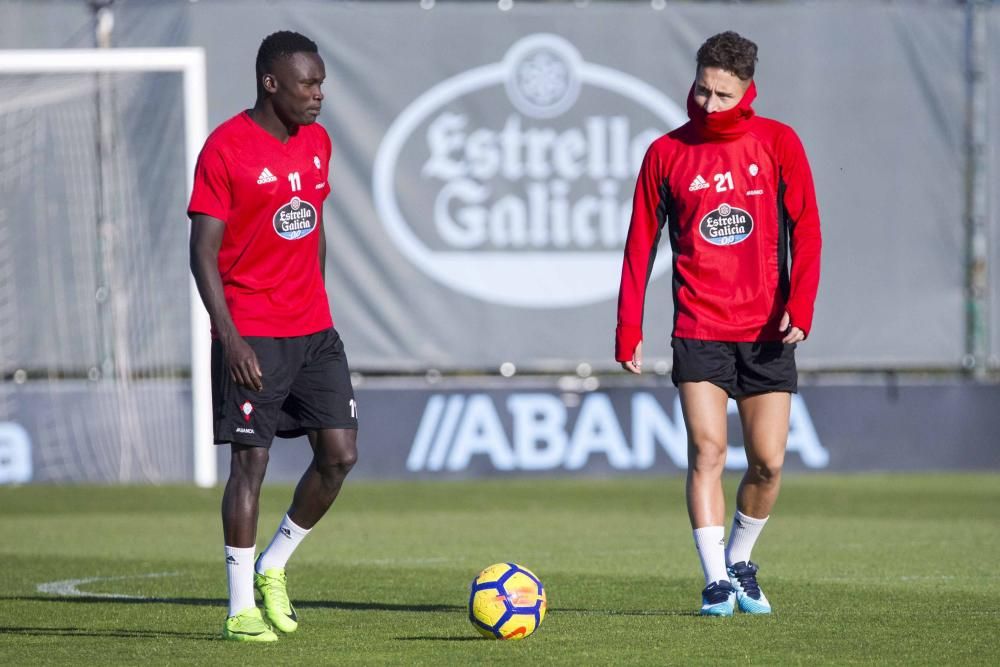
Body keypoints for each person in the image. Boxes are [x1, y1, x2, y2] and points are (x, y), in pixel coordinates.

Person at [615, 31, 821, 617]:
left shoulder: (778, 142)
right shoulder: (666, 153)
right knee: (707, 451)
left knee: (768, 461)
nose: (708, 105)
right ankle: (715, 582)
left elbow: (806, 230)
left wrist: (800, 307)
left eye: (722, 95)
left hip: (765, 332)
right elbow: (638, 248)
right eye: (702, 91)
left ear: (747, 90)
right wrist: (628, 328)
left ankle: (739, 562)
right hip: (699, 326)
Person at [188, 30, 359, 642]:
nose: (318, 95)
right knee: (250, 466)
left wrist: (320, 309)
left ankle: (273, 566)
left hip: (314, 330)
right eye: (307, 84)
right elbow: (203, 254)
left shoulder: (318, 143)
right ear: (271, 83)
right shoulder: (226, 149)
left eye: (321, 83)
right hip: (252, 334)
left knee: (339, 455)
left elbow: (310, 232)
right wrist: (229, 338)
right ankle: (239, 609)